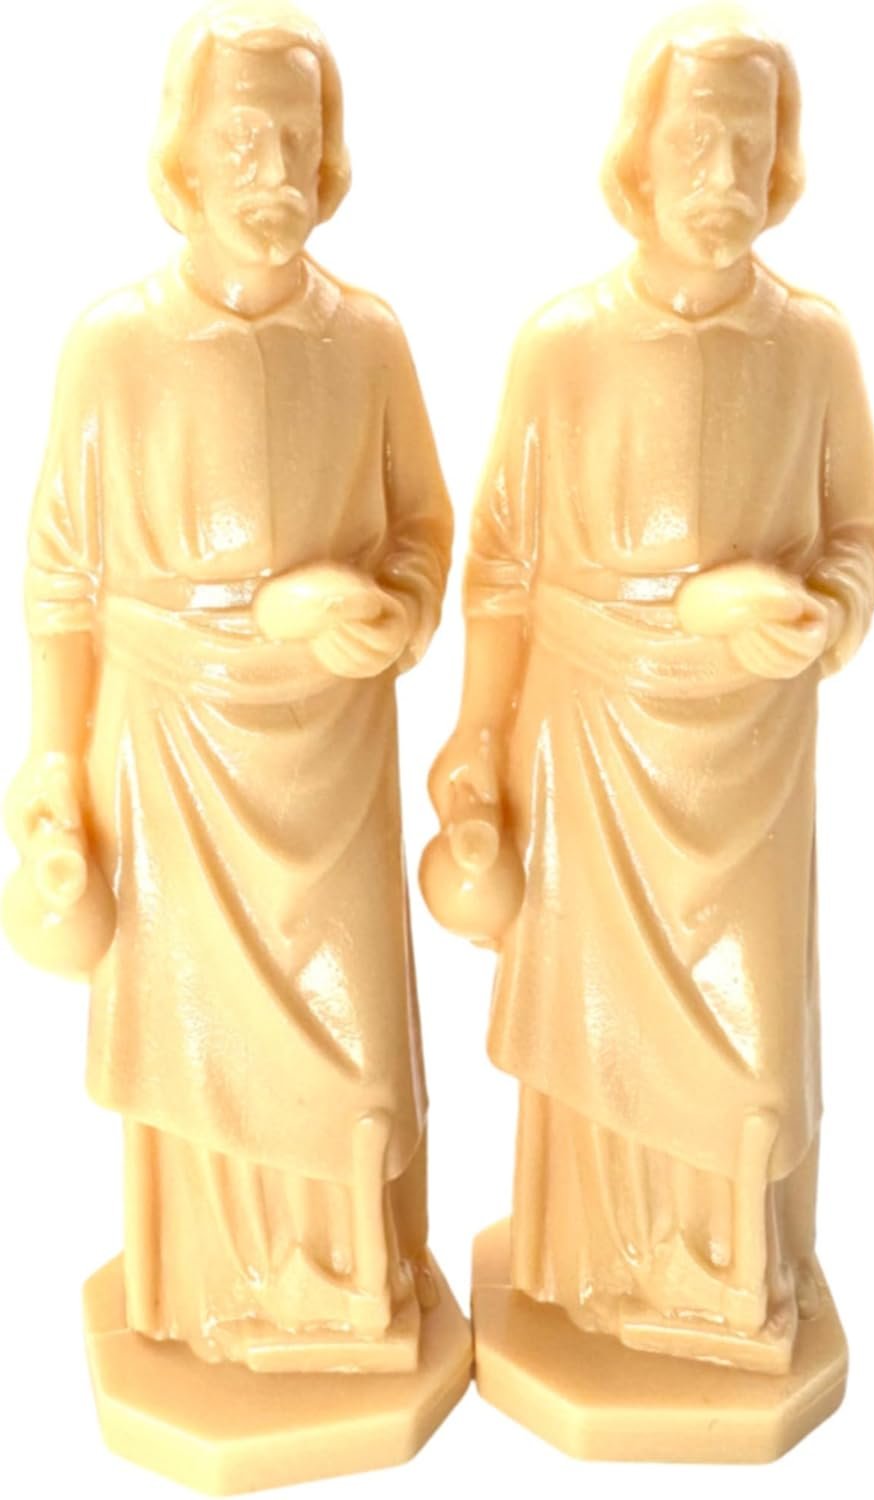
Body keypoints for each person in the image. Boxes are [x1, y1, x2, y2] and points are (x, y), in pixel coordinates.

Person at [429, 7, 874, 1370]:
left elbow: (860, 530)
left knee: (748, 1030)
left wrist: (824, 615)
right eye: (693, 141)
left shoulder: (812, 346)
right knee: (600, 1019)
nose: (721, 175)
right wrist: (477, 737)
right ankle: (596, 1264)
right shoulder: (564, 344)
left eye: (749, 144)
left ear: (782, 162)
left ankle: (731, 1270)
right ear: (638, 154)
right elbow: (502, 567)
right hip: (590, 739)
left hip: (748, 755)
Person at [7, 0, 452, 1371]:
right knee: (197, 1035)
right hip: (169, 750)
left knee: (347, 1027)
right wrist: (51, 761)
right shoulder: (114, 345)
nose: (273, 173)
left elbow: (425, 529)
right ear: (184, 156)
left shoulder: (367, 340)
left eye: (297, 142)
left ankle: (345, 1278)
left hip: (332, 751)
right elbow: (62, 580)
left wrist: (393, 614)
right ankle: (211, 1288)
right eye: (242, 140)